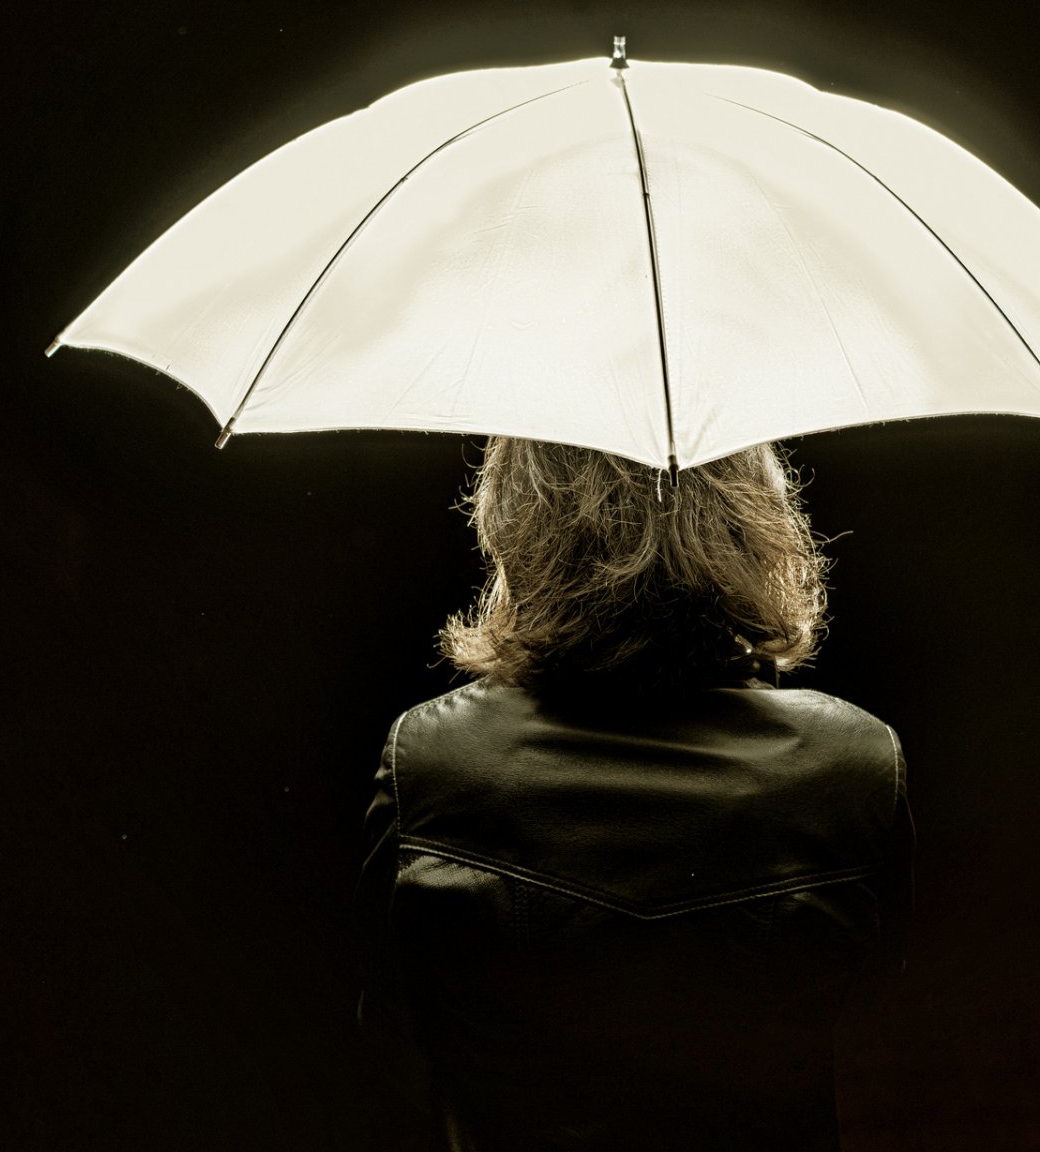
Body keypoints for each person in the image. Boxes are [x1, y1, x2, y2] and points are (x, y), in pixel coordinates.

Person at [356, 437, 914, 1151]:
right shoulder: (855, 764)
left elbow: (395, 1042)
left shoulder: (430, 763)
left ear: (517, 520)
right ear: (754, 521)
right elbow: (874, 1020)